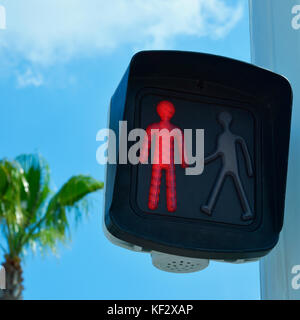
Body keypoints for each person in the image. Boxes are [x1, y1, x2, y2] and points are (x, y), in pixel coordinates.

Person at [201, 111, 254, 221]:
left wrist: (250, 169)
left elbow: (217, 153)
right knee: (233, 185)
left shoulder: (230, 137)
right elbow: (243, 154)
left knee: (225, 184)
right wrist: (249, 169)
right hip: (229, 164)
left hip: (229, 165)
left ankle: (209, 207)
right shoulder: (231, 137)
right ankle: (247, 211)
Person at [140, 100, 188, 212]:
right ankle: (153, 203)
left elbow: (181, 145)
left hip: (168, 160)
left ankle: (171, 205)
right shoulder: (154, 128)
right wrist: (143, 156)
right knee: (156, 182)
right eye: (165, 110)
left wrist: (184, 160)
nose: (167, 113)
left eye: (169, 111)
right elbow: (147, 141)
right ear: (159, 111)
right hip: (158, 159)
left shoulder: (174, 130)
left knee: (170, 183)